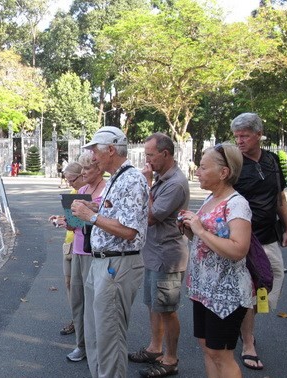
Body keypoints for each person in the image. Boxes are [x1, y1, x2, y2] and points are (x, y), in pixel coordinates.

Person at [71, 126, 149, 378]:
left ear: (111, 150)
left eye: (95, 151)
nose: (93, 157)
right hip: (104, 263)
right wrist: (94, 207)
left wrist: (91, 215)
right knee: (96, 336)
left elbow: (129, 231)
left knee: (109, 338)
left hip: (117, 265)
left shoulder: (131, 179)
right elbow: (118, 215)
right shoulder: (118, 177)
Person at [179, 143, 253, 378]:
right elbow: (207, 241)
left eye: (202, 167)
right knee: (208, 349)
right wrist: (189, 229)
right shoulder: (211, 198)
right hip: (204, 290)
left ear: (224, 173)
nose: (197, 172)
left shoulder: (236, 203)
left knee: (222, 354)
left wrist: (200, 231)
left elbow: (238, 249)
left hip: (226, 293)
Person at [230, 113, 287, 370]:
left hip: (269, 236)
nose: (240, 140)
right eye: (236, 136)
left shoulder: (272, 159)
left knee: (272, 280)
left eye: (244, 135)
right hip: (244, 239)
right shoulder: (234, 163)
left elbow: (279, 198)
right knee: (248, 289)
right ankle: (248, 342)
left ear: (258, 134)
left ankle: (243, 323)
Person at [129, 133, 189, 377]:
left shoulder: (174, 183)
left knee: (166, 309)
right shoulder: (163, 178)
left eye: (150, 155)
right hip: (154, 253)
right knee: (153, 305)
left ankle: (170, 359)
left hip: (168, 256)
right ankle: (155, 349)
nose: (147, 159)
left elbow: (151, 217)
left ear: (166, 154)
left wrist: (146, 185)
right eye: (146, 154)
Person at [64, 151, 107, 363]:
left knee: (94, 303)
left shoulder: (106, 189)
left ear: (99, 168)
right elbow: (74, 224)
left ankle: (96, 348)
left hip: (97, 252)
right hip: (79, 249)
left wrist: (89, 214)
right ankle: (81, 345)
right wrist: (66, 220)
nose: (83, 173)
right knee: (77, 301)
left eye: (87, 168)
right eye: (81, 169)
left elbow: (107, 222)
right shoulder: (81, 189)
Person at [49, 161, 87, 337]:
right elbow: (72, 220)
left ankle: (83, 321)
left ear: (82, 175)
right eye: (68, 181)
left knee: (81, 287)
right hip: (70, 242)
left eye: (72, 180)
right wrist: (61, 219)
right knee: (69, 284)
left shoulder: (88, 192)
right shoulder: (74, 192)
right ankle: (76, 319)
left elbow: (83, 221)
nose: (70, 184)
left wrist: (68, 222)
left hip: (83, 246)